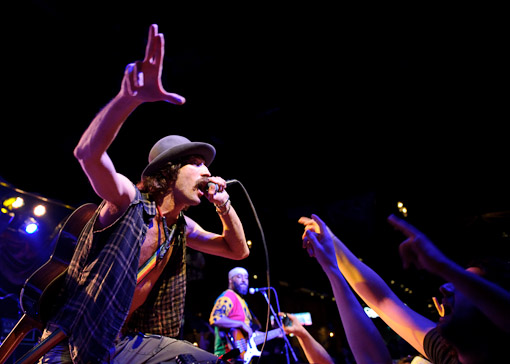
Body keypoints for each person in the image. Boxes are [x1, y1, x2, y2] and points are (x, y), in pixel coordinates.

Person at [39, 24, 249, 364]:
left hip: (124, 341)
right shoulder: (126, 202)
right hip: (76, 340)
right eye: (195, 164)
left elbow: (236, 251)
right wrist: (129, 99)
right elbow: (87, 154)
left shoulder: (181, 226)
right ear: (168, 173)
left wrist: (225, 208)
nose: (208, 171)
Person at [300, 213, 510, 364]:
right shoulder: (449, 356)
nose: (446, 287)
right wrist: (332, 244)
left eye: (465, 287)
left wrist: (444, 266)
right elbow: (383, 301)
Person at [209, 267, 262, 359]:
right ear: (230, 280)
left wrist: (279, 333)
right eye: (239, 277)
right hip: (228, 356)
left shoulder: (242, 301)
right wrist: (241, 324)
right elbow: (215, 319)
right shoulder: (229, 296)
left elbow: (249, 333)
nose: (243, 280)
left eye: (246, 277)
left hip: (241, 357)